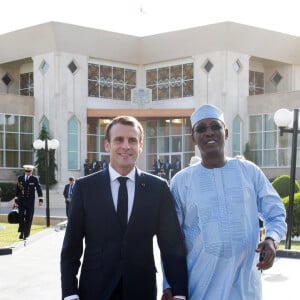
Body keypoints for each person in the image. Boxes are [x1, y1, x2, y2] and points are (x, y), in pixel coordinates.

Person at [162, 104, 287, 300]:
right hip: (201, 285)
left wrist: (272, 239)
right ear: (193, 137)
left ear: (226, 132)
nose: (209, 132)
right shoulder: (181, 181)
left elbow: (275, 212)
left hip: (245, 286)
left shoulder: (248, 171)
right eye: (201, 129)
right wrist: (170, 286)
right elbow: (171, 240)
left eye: (215, 126)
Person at [61, 116, 188, 300]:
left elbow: (171, 245)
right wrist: (70, 294)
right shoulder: (85, 188)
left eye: (132, 140)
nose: (126, 146)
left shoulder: (158, 188)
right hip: (95, 290)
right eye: (119, 140)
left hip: (141, 290)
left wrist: (179, 292)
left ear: (141, 146)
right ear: (107, 145)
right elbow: (71, 247)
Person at [14, 164, 43, 240]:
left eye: (29, 171)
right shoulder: (20, 178)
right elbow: (18, 189)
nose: (28, 172)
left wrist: (40, 199)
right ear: (25, 171)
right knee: (20, 216)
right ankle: (22, 231)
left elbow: (38, 189)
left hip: (30, 201)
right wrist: (16, 200)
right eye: (27, 171)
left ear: (32, 171)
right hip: (21, 200)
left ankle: (26, 234)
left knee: (29, 218)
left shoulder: (34, 179)